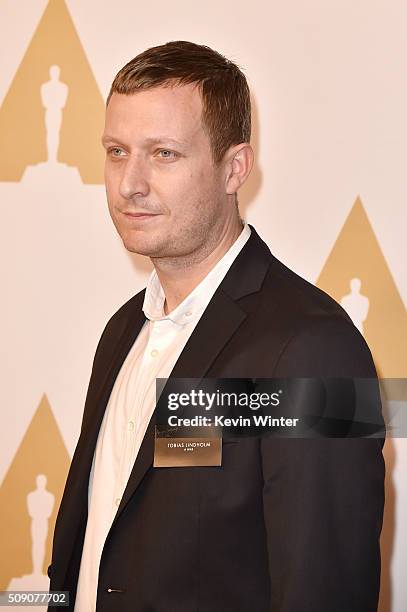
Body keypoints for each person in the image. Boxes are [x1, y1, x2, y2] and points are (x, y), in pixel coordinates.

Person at [48, 40, 384, 612]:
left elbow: (324, 589)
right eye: (116, 150)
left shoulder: (315, 348)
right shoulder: (122, 331)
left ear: (235, 167)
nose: (130, 183)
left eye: (164, 154)